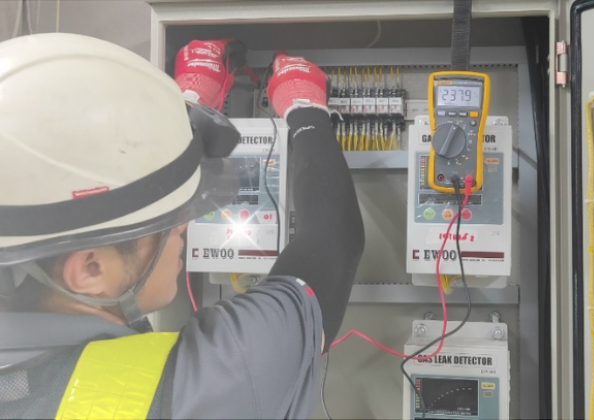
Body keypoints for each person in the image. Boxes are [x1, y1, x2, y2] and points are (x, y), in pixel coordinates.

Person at [0, 33, 364, 419]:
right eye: (165, 221)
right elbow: (333, 242)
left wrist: (177, 115)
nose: (183, 227)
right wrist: (306, 110)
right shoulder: (212, 380)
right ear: (90, 269)